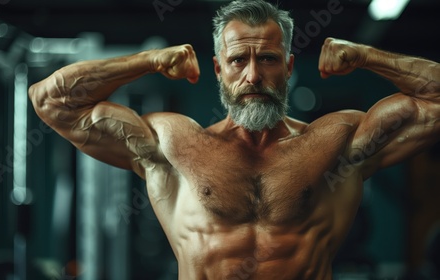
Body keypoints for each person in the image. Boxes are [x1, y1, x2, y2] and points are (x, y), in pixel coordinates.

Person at [28, 0, 440, 279]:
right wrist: (147, 60)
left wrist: (367, 56)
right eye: (238, 60)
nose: (253, 76)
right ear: (218, 69)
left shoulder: (338, 143)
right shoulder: (170, 144)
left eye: (268, 59)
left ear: (290, 67)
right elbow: (51, 100)